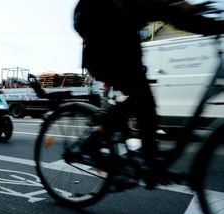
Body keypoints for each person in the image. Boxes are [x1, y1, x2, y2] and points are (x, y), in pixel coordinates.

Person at [73, 0, 224, 185]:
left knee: (146, 105)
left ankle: (150, 162)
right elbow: (164, 11)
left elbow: (173, 16)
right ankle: (94, 142)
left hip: (125, 54)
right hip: (104, 54)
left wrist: (212, 25)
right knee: (141, 99)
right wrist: (179, 10)